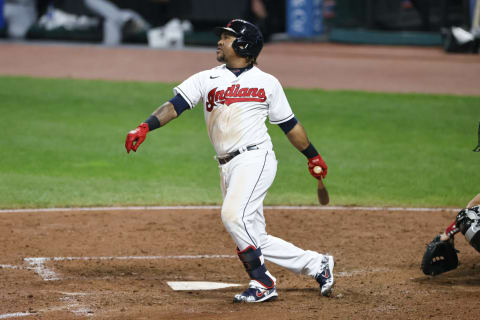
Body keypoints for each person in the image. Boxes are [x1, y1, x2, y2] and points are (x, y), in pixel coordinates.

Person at [125, 19, 334, 303]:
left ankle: (263, 282)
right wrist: (145, 126)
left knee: (232, 215)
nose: (221, 41)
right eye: (222, 37)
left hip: (255, 158)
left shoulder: (267, 83)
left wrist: (312, 156)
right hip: (226, 165)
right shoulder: (207, 78)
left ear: (243, 45)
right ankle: (317, 263)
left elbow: (289, 125)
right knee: (253, 235)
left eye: (227, 37)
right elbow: (175, 106)